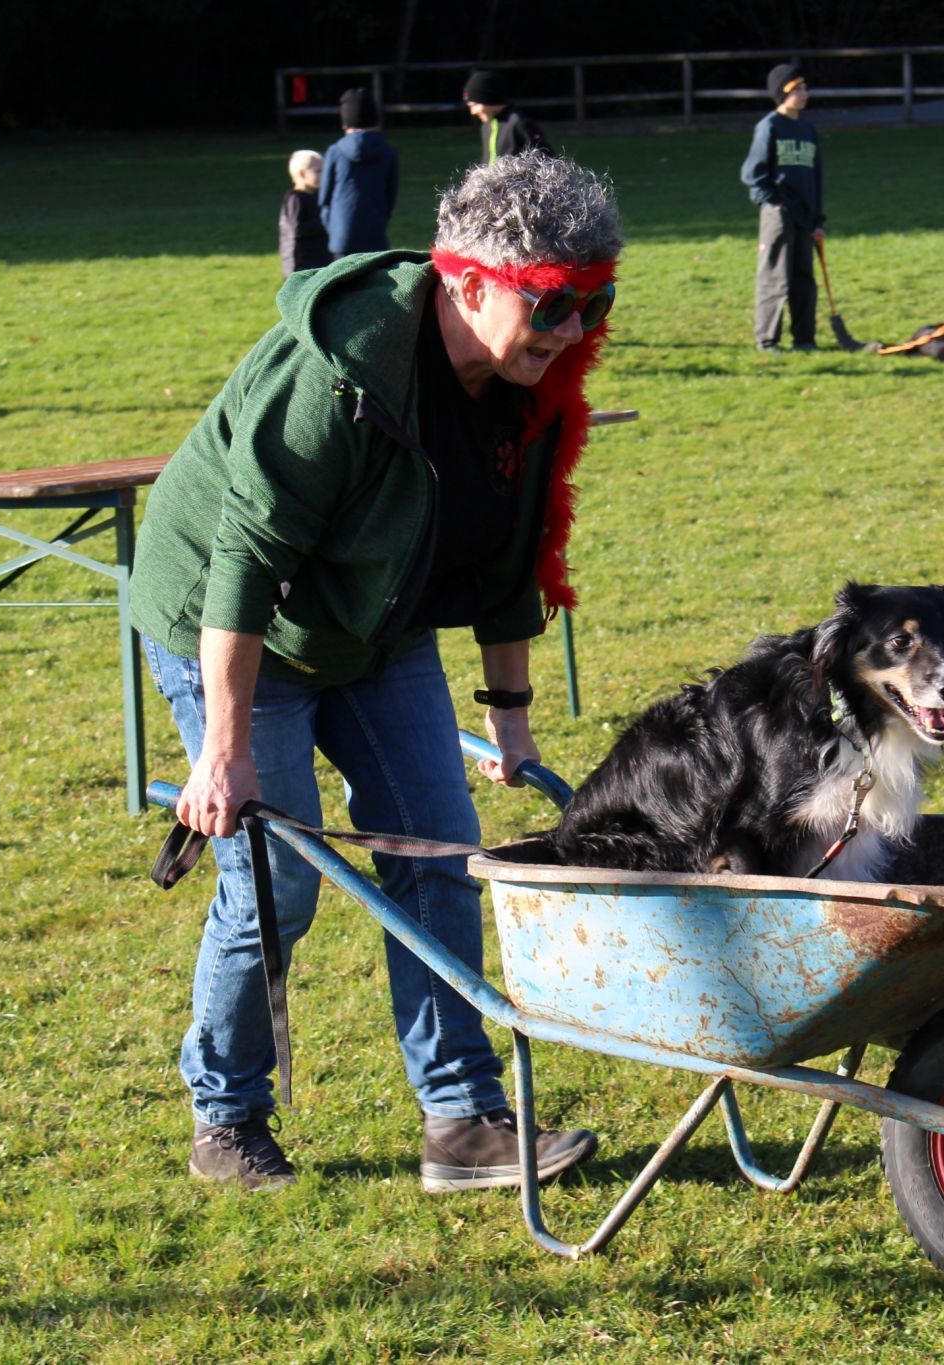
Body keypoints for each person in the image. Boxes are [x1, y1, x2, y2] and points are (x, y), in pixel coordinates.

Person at [130, 152, 622, 1191]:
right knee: (275, 884)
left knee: (442, 854)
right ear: (466, 280)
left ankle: (463, 1124)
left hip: (374, 629)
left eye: (591, 301)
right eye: (549, 303)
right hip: (230, 622)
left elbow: (508, 558)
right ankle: (225, 1117)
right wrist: (220, 754)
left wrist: (512, 715)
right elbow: (245, 557)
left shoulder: (529, 387)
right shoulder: (338, 372)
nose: (571, 329)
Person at [739, 63, 823, 355]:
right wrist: (772, 202)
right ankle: (768, 340)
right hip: (778, 215)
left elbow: (816, 178)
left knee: (804, 280)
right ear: (782, 94)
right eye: (797, 89)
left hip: (805, 217)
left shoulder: (808, 129)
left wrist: (818, 219)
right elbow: (752, 172)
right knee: (775, 279)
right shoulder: (769, 126)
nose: (804, 93)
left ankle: (805, 339)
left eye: (805, 88)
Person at [320, 87, 399, 257]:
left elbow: (324, 198)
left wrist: (334, 229)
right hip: (375, 233)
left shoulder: (336, 151)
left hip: (342, 234)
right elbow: (390, 196)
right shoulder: (388, 152)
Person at [462, 68, 549, 164]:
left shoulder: (519, 123)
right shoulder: (487, 125)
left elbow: (545, 160)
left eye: (475, 105)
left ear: (490, 98)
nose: (473, 112)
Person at [277, 149, 331, 277]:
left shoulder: (316, 197)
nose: (324, 175)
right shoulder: (295, 198)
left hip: (318, 260)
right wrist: (327, 220)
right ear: (302, 174)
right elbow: (298, 228)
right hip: (301, 265)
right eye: (318, 171)